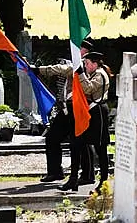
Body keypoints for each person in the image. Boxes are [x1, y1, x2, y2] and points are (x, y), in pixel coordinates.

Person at [35, 39, 94, 184]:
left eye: (78, 49)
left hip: (80, 109)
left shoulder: (85, 64)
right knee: (52, 138)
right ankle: (55, 172)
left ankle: (88, 175)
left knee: (83, 142)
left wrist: (39, 70)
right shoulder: (76, 62)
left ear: (84, 51)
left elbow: (63, 69)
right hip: (68, 109)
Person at [59, 51, 111, 194]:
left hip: (98, 112)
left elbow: (88, 88)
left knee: (100, 148)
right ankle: (73, 178)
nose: (86, 66)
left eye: (87, 63)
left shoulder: (100, 75)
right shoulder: (91, 73)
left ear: (95, 64)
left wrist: (80, 74)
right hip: (88, 112)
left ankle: (104, 182)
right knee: (77, 143)